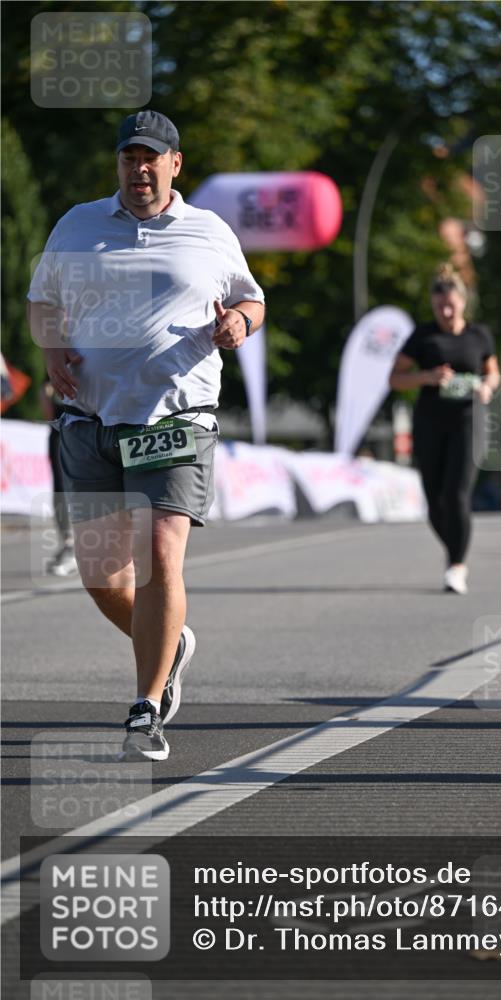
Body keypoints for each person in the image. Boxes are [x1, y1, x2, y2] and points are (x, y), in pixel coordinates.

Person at [28, 110, 265, 761]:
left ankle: (145, 708)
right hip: (91, 421)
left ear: (174, 164)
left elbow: (251, 298)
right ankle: (170, 640)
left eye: (151, 157)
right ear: (119, 164)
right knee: (102, 577)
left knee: (160, 551)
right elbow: (41, 299)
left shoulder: (208, 232)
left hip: (174, 419)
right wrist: (50, 348)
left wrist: (238, 325)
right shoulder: (78, 224)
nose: (140, 168)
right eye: (130, 157)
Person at [389, 265, 500, 594]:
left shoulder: (479, 335)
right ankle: (455, 547)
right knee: (435, 501)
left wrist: (487, 388)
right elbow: (395, 379)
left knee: (457, 494)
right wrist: (427, 377)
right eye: (440, 307)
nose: (446, 312)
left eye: (451, 305)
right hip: (430, 421)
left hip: (468, 421)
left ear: (463, 302)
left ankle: (456, 565)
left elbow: (492, 372)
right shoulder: (423, 337)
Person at [39, 379, 77, 576]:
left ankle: (74, 548)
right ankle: (70, 545)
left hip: (77, 430)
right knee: (61, 491)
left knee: (68, 490)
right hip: (61, 431)